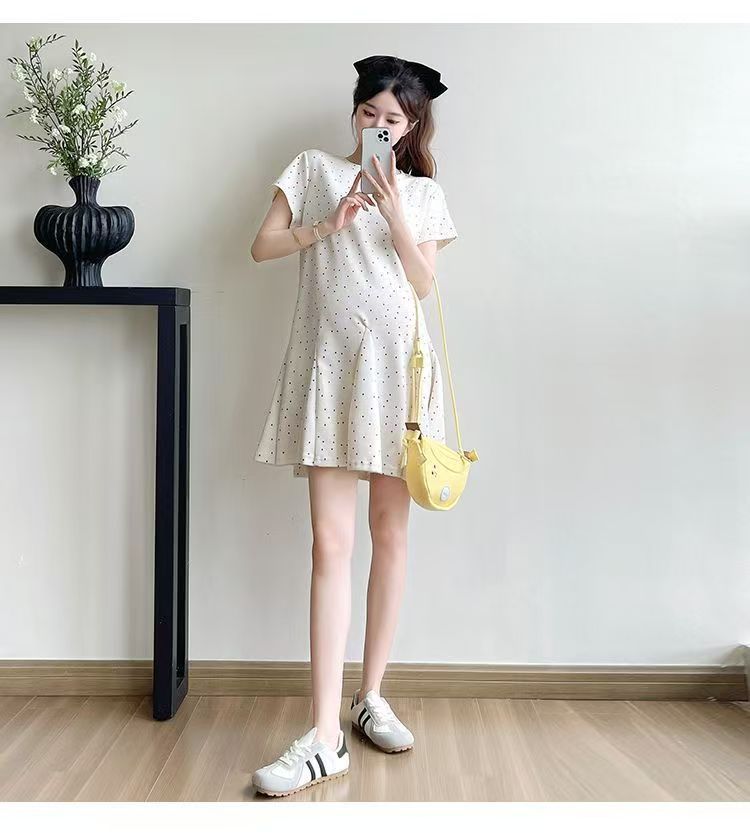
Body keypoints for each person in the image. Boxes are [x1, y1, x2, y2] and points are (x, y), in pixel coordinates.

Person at [249, 55, 458, 797]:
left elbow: (424, 284)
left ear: (412, 128)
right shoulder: (313, 169)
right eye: (370, 113)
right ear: (355, 113)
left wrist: (394, 210)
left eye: (393, 119)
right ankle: (323, 734)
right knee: (329, 544)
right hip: (332, 373)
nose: (379, 126)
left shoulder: (424, 192)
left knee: (389, 534)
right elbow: (262, 246)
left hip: (400, 378)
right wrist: (327, 223)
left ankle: (371, 696)